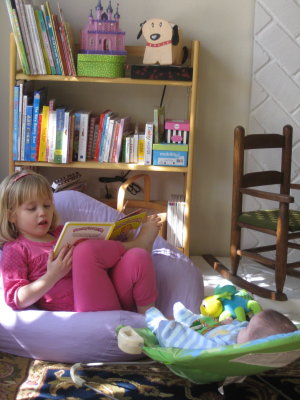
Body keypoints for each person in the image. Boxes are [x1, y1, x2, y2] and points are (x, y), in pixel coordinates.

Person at [0, 170, 161, 314]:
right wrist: (52, 276)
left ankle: (149, 321)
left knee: (137, 257)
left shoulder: (63, 231)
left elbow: (96, 257)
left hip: (108, 295)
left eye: (47, 206)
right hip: (82, 308)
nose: (42, 213)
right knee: (85, 250)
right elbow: (16, 299)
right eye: (32, 208)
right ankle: (136, 243)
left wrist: (116, 233)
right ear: (12, 215)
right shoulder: (15, 249)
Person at [145, 302, 298, 349]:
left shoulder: (226, 348)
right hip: (213, 327)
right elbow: (240, 325)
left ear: (251, 343)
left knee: (180, 329)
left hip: (202, 334)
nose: (244, 325)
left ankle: (158, 322)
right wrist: (229, 323)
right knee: (198, 319)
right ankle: (186, 317)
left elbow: (197, 345)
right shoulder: (243, 335)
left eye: (247, 327)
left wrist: (170, 330)